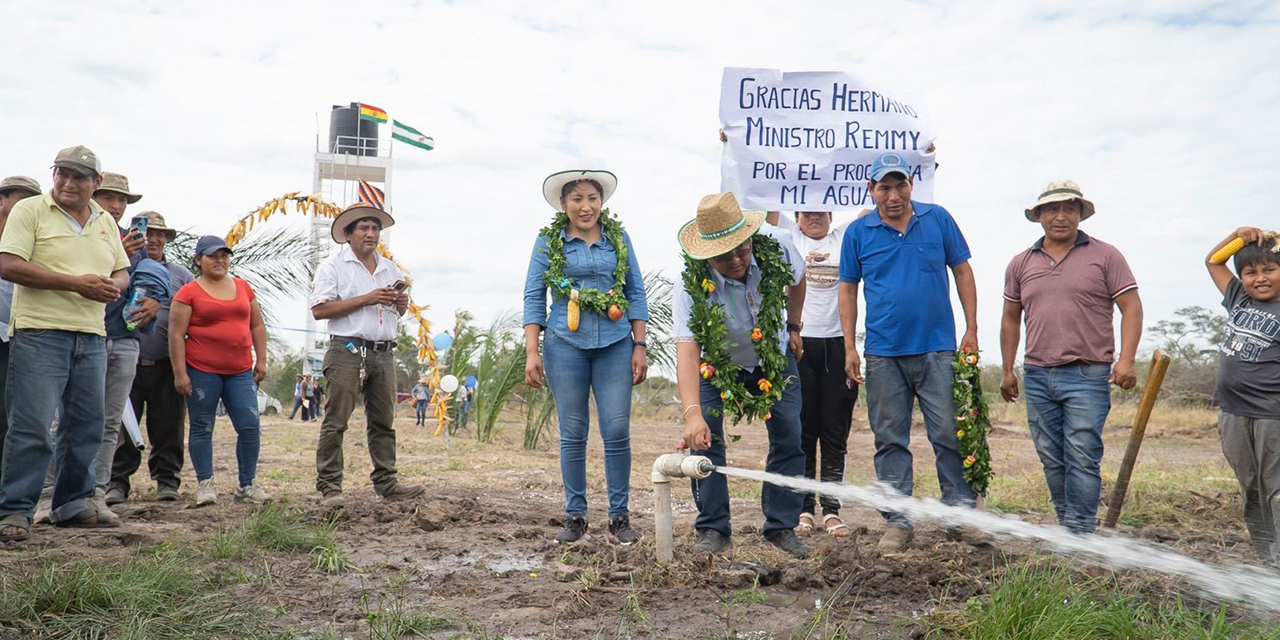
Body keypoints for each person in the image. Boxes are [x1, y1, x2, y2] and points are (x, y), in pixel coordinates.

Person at [838, 152, 984, 551]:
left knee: (949, 433)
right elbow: (848, 288)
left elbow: (963, 270)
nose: (893, 194)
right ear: (871, 190)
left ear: (911, 186)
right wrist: (850, 345)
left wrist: (971, 328)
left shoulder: (937, 219)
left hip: (938, 349)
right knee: (889, 440)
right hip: (883, 353)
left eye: (900, 185)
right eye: (884, 187)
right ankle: (897, 521)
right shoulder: (858, 232)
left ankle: (960, 516)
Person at [0, 146, 130, 542]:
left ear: (96, 183)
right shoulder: (31, 211)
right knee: (33, 426)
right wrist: (76, 283)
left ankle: (72, 502)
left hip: (91, 335)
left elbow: (122, 271)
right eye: (62, 174)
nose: (68, 183)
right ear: (53, 175)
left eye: (79, 177)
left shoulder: (104, 220)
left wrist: (113, 287)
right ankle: (15, 509)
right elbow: (8, 264)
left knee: (86, 424)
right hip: (40, 332)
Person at [1000, 180, 1142, 534]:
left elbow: (1132, 308)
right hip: (1036, 375)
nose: (1060, 217)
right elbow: (1009, 318)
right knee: (1051, 457)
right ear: (1039, 216)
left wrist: (1126, 360)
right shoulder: (1021, 263)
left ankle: (1080, 534)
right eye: (1052, 209)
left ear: (1080, 214)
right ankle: (1070, 529)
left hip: (1087, 374)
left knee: (1082, 455)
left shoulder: (1106, 256)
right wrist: (1007, 370)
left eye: (1069, 209)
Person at [675, 192, 810, 558]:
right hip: (717, 364)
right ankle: (713, 528)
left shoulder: (779, 244)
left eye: (742, 250)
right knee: (705, 441)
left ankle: (782, 527)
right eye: (724, 256)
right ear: (705, 253)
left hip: (774, 358)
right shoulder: (689, 285)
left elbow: (799, 280)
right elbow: (688, 351)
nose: (735, 260)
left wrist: (795, 326)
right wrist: (692, 414)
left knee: (789, 435)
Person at [523, 169, 649, 545]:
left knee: (616, 430)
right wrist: (533, 350)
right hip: (564, 344)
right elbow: (533, 295)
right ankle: (575, 517)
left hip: (615, 344)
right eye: (576, 199)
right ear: (563, 205)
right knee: (573, 433)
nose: (585, 206)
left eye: (592, 198)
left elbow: (635, 292)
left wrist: (639, 345)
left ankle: (619, 518)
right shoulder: (548, 242)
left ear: (602, 202)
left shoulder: (618, 239)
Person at [311, 202, 424, 508]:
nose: (371, 234)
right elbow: (320, 309)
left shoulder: (390, 268)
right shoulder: (333, 266)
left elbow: (400, 310)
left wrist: (398, 300)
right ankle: (330, 486)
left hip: (383, 351)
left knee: (384, 422)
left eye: (375, 228)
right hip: (347, 348)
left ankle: (387, 482)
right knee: (336, 420)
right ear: (347, 235)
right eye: (363, 228)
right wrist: (368, 298)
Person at [767, 209, 859, 537]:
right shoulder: (791, 235)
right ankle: (803, 510)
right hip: (798, 345)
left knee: (835, 433)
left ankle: (832, 511)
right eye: (807, 212)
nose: (814, 217)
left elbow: (872, 203)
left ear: (832, 215)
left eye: (821, 211)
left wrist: (921, 163)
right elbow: (762, 201)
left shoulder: (843, 236)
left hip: (837, 345)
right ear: (797, 215)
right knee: (802, 432)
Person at [169, 235, 270, 506]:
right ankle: (206, 484)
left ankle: (247, 485)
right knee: (202, 426)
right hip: (202, 370)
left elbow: (257, 326)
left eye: (224, 255)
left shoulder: (243, 287)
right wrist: (180, 373)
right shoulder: (188, 292)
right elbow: (176, 334)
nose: (220, 260)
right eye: (213, 255)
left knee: (250, 426)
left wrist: (261, 360)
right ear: (198, 260)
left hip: (239, 371)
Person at [107, 211, 194, 504]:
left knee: (169, 424)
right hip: (123, 357)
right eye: (148, 232)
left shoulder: (181, 275)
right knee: (122, 426)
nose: (153, 239)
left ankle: (167, 481)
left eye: (160, 234)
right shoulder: (120, 265)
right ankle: (117, 482)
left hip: (166, 363)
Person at [1205, 226, 1280, 566]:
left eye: (1270, 270)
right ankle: (1268, 561)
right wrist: (1239, 237)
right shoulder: (1239, 297)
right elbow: (1213, 261)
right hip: (1233, 413)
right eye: (1250, 272)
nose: (1259, 278)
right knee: (1250, 488)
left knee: (1276, 490)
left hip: (1272, 417)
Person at [0, 176, 41, 466]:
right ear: (2, 200)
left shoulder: (36, 239)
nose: (25, 205)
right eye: (20, 197)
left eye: (32, 199)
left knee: (16, 417)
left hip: (22, 336)